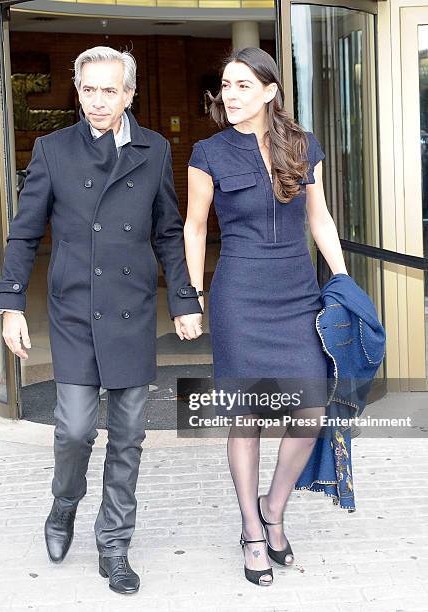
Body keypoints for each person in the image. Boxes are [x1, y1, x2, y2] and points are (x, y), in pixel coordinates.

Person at [0, 46, 203, 595]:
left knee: (130, 435)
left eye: (110, 90)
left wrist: (183, 299)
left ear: (129, 94)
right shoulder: (52, 149)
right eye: (89, 90)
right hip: (73, 312)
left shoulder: (154, 150)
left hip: (131, 311)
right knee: (76, 428)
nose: (97, 101)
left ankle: (115, 544)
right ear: (78, 91)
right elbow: (23, 231)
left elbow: (166, 230)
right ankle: (63, 506)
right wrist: (10, 303)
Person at [184, 47, 348, 587]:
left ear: (270, 91)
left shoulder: (302, 146)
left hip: (298, 295)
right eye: (224, 86)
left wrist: (341, 280)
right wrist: (193, 296)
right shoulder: (207, 152)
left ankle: (273, 507)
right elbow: (196, 228)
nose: (229, 96)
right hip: (239, 296)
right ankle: (253, 531)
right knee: (246, 416)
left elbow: (319, 219)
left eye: (241, 86)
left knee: (309, 412)